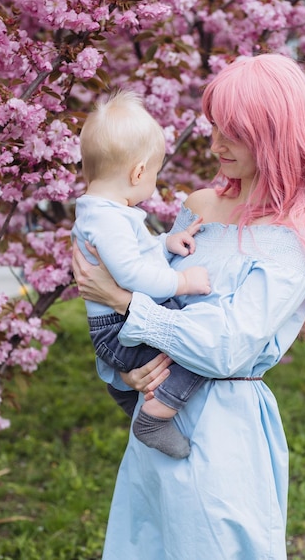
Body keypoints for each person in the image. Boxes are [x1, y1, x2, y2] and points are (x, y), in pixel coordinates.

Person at [72, 53, 305, 559]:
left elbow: (225, 344)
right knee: (146, 543)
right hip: (155, 418)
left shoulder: (296, 239)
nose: (215, 143)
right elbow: (160, 296)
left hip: (223, 425)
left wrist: (119, 299)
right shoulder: (201, 205)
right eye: (214, 127)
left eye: (234, 132)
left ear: (274, 135)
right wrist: (127, 373)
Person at [72, 89, 211, 459]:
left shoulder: (103, 213)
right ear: (138, 172)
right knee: (198, 345)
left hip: (113, 328)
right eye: (154, 173)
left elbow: (135, 254)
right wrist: (183, 282)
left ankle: (125, 395)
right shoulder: (108, 220)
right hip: (118, 332)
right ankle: (154, 417)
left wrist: (167, 242)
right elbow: (132, 273)